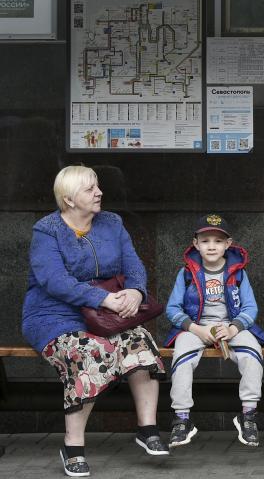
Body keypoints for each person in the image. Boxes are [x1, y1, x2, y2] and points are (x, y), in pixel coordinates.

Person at [22, 165, 168, 478]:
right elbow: (53, 280)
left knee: (139, 340)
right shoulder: (47, 230)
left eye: (97, 186)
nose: (99, 192)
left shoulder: (112, 223)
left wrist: (134, 291)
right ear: (69, 199)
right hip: (53, 317)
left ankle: (147, 428)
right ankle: (72, 445)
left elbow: (134, 265)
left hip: (106, 314)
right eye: (89, 189)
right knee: (88, 351)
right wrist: (100, 298)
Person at [163, 214, 264, 448]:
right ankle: (182, 419)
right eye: (205, 240)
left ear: (228, 244)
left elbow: (251, 308)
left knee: (252, 353)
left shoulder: (238, 273)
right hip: (196, 326)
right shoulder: (187, 273)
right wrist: (195, 329)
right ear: (195, 244)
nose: (211, 246)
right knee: (181, 357)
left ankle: (248, 414)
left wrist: (234, 329)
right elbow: (172, 308)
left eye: (218, 241)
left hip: (230, 325)